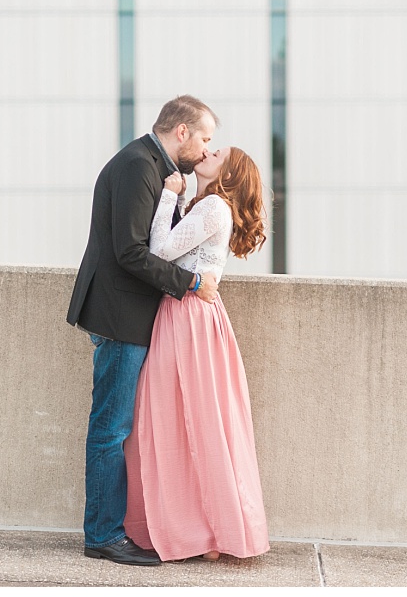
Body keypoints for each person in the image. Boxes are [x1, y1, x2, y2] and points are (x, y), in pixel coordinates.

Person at [67, 95, 221, 566]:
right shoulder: (139, 165)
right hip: (120, 316)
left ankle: (111, 531)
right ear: (181, 133)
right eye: (204, 138)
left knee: (118, 427)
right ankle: (104, 536)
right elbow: (130, 252)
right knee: (111, 429)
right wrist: (192, 283)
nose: (205, 149)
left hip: (129, 314)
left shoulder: (153, 165)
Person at [123, 145, 270, 562]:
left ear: (228, 171)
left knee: (178, 420)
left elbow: (159, 251)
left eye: (217, 152)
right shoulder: (206, 207)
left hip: (187, 318)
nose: (208, 151)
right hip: (187, 315)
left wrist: (169, 194)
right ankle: (201, 529)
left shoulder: (215, 210)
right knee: (180, 421)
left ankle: (205, 532)